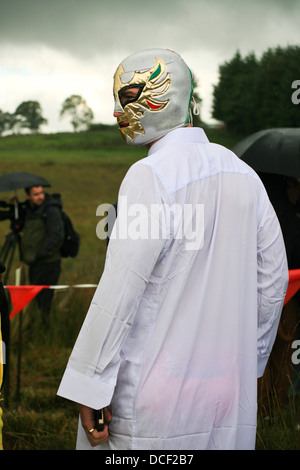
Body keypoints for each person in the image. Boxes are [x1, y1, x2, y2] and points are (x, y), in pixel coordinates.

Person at [58, 48, 289, 450]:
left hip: (152, 395)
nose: (115, 112)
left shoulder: (150, 175)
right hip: (228, 393)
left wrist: (90, 384)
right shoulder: (244, 174)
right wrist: (247, 361)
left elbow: (121, 289)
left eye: (126, 97)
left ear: (166, 96)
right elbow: (274, 281)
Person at [21, 186, 64, 323]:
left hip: (48, 264)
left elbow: (57, 236)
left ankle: (44, 331)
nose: (40, 197)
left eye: (41, 193)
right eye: (35, 194)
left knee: (44, 302)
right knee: (35, 301)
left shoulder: (51, 210)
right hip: (35, 264)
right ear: (28, 197)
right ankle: (35, 328)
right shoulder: (29, 210)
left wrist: (39, 254)